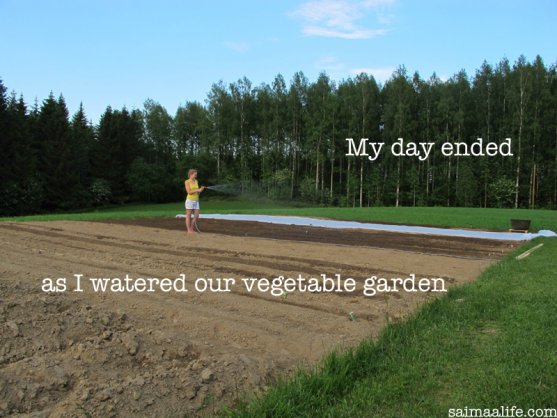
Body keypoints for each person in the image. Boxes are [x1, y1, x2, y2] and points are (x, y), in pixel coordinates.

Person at [184, 169, 205, 233]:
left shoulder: (196, 181)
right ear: (191, 174)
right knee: (188, 215)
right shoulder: (187, 181)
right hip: (190, 200)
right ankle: (189, 230)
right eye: (195, 174)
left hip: (196, 200)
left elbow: (197, 191)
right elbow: (189, 192)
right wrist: (197, 190)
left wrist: (200, 190)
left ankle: (191, 228)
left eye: (196, 175)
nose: (196, 176)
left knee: (196, 215)